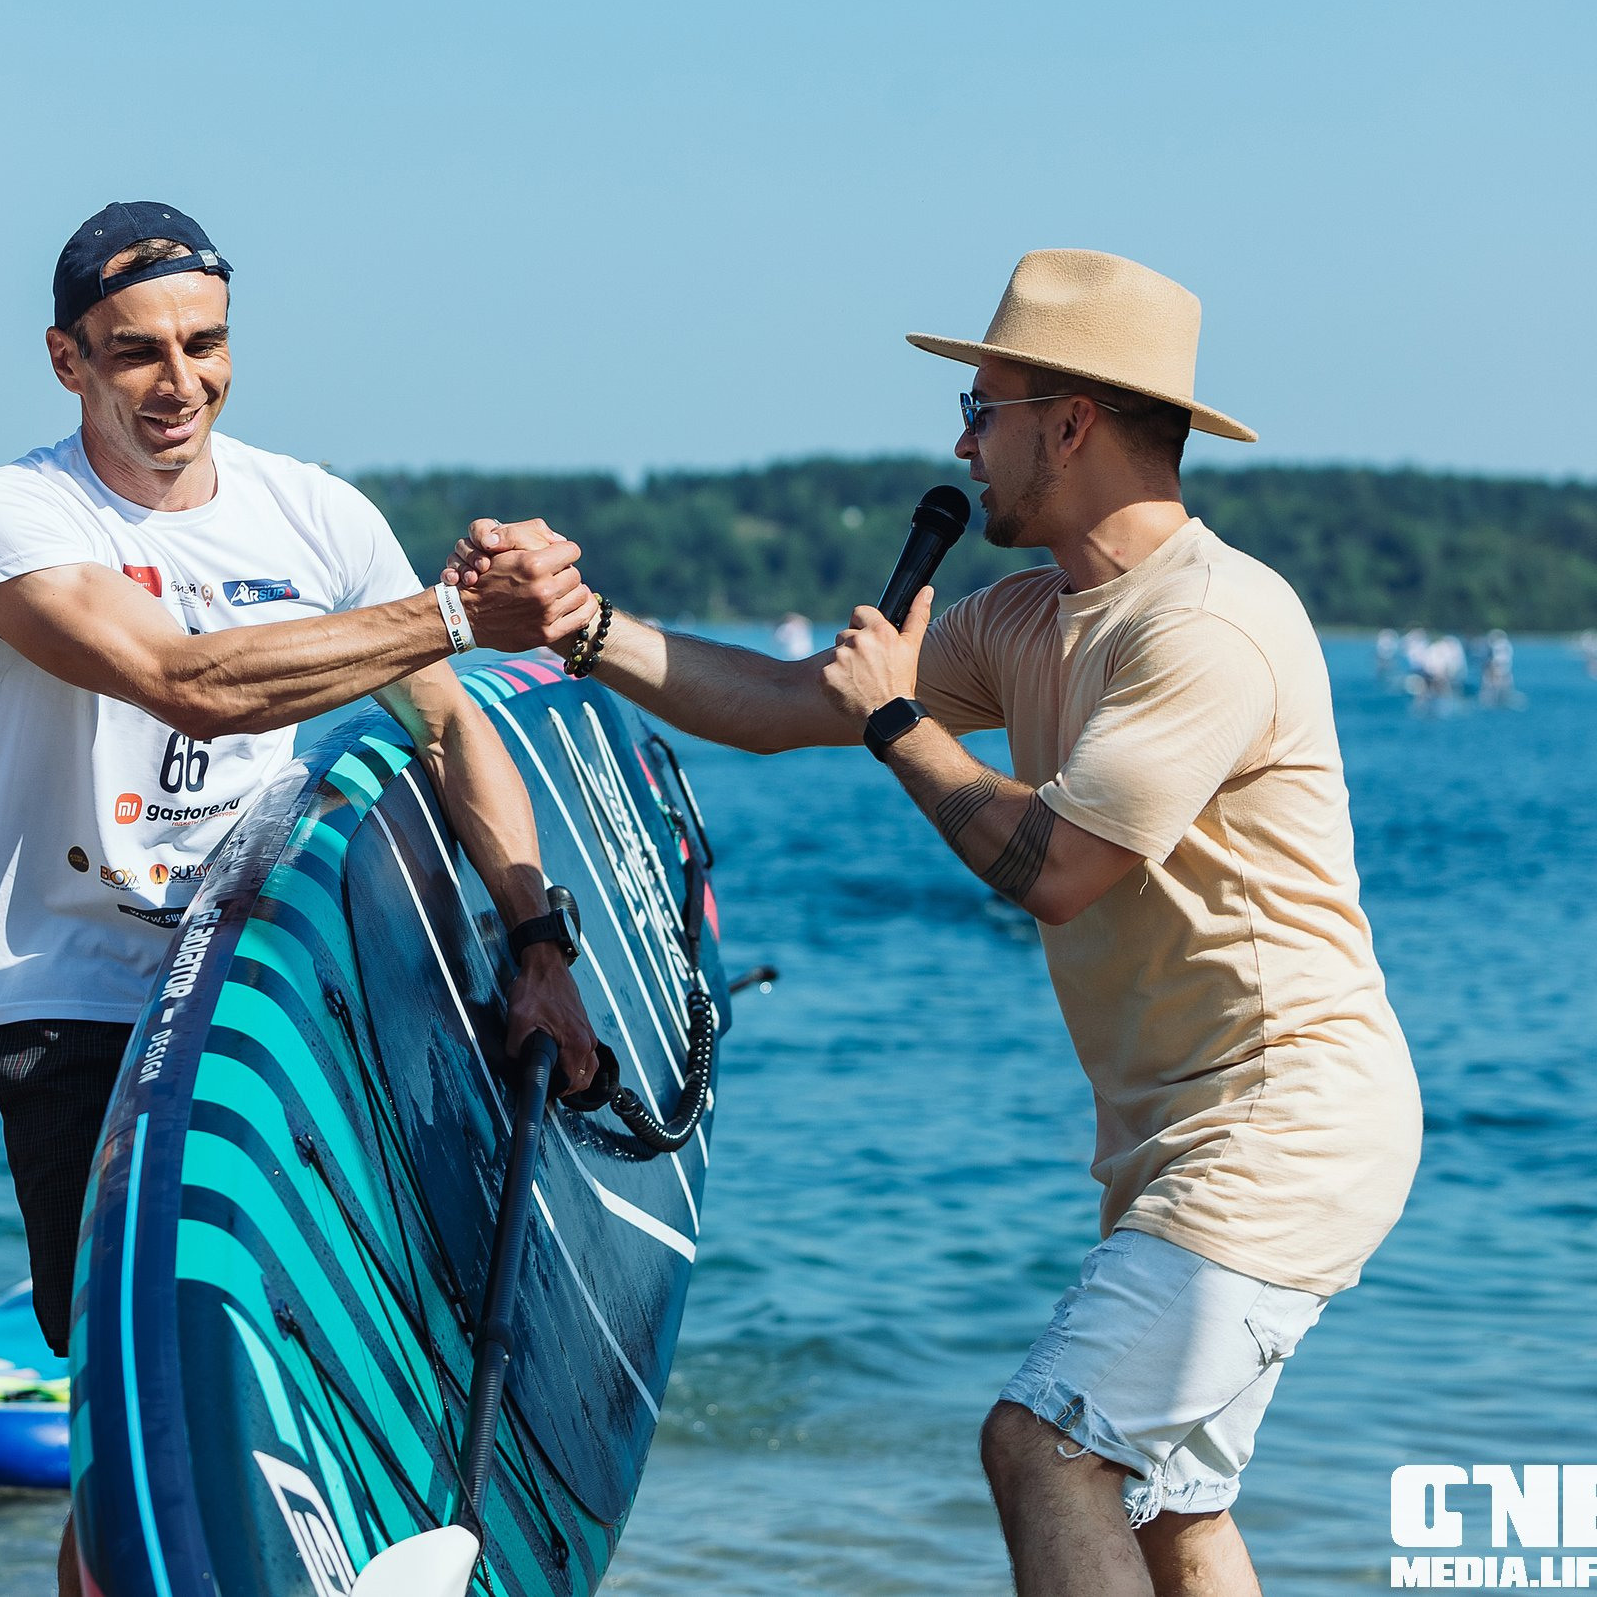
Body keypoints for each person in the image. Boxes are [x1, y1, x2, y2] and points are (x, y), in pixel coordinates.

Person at [450, 250, 1421, 1596]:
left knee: (1044, 1449)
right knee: (1167, 1510)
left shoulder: (1210, 626)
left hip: (1286, 1122)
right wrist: (586, 625)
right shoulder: (1027, 614)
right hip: (1179, 1130)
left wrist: (899, 725)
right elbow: (796, 704)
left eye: (983, 407)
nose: (963, 442)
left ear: (1069, 422)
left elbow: (1061, 867)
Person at [0, 202, 602, 1597]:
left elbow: (447, 728)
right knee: (134, 1421)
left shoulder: (317, 511)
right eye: (135, 354)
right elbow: (186, 678)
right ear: (68, 360)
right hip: (90, 1008)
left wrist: (537, 941)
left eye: (205, 344)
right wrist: (460, 614)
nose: (179, 382)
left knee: (324, 1358)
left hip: (283, 999)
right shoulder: (11, 517)